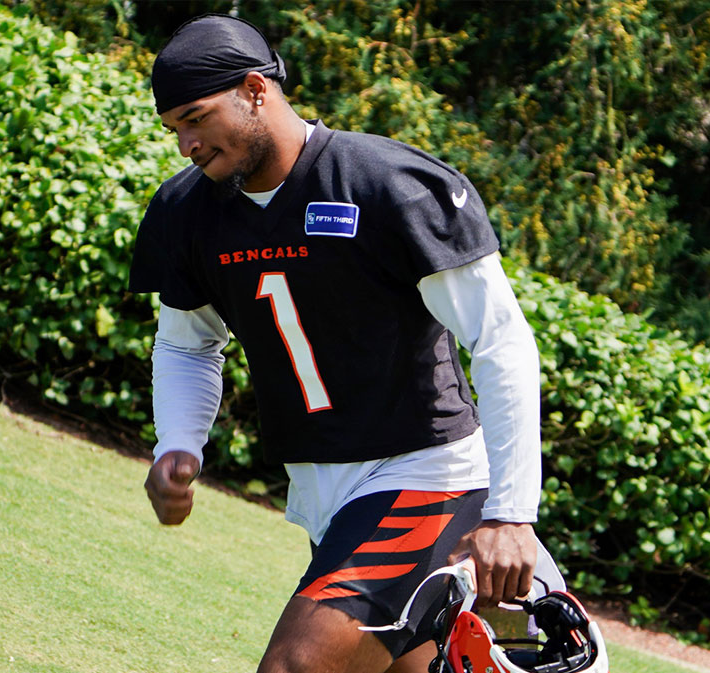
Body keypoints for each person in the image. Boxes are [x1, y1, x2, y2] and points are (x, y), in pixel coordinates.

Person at [129, 14, 543, 673]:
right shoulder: (188, 212)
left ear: (256, 89)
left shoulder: (387, 184)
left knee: (296, 665)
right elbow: (187, 344)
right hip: (325, 493)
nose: (186, 144)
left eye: (196, 117)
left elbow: (501, 342)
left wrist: (512, 511)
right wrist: (179, 442)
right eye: (173, 127)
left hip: (426, 474)